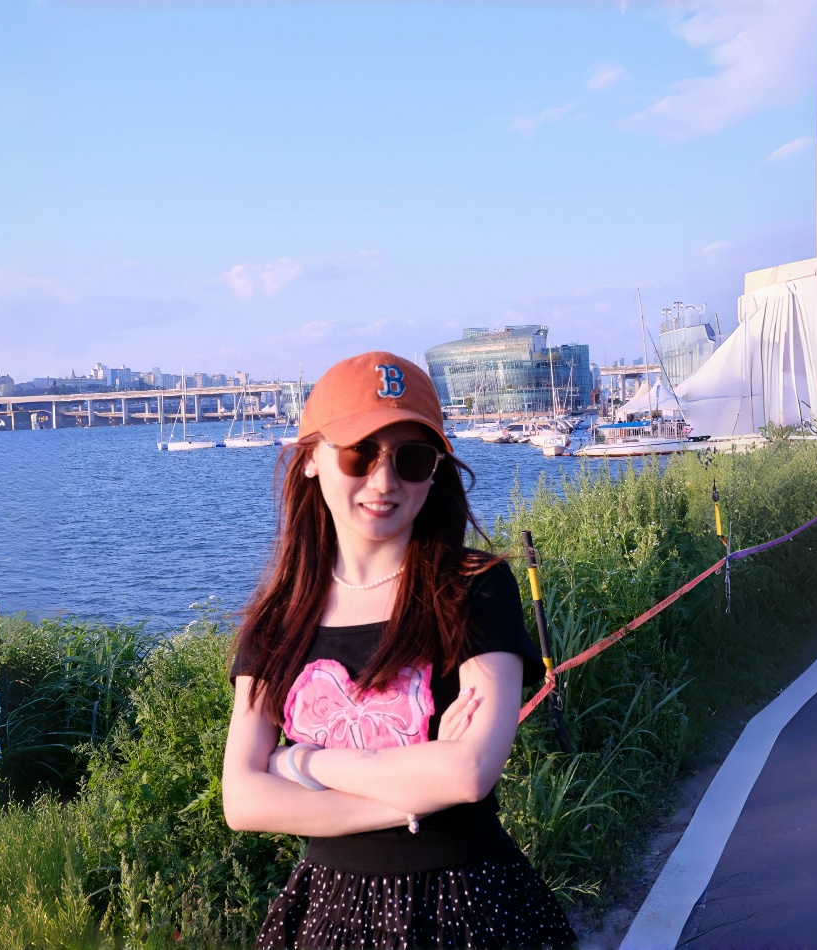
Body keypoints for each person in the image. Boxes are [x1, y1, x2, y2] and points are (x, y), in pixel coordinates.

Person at [222, 351, 576, 949]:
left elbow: (468, 772)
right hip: (328, 913)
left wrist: (301, 764)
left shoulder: (473, 589)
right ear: (311, 459)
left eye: (410, 459)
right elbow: (243, 799)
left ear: (435, 472)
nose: (384, 482)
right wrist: (411, 799)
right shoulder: (278, 620)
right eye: (359, 453)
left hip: (469, 905)